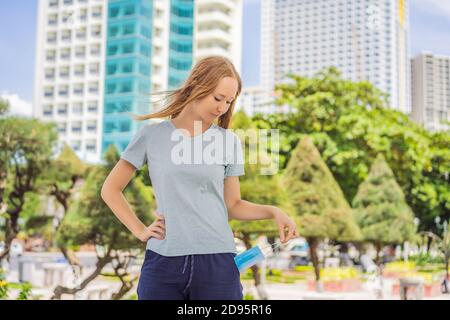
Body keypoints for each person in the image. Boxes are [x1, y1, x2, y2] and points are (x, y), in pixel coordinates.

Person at [101, 56, 299, 300]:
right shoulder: (152, 136)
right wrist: (140, 230)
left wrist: (274, 212)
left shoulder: (229, 141)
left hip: (218, 265)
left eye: (229, 101)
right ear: (196, 86)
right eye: (218, 98)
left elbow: (233, 205)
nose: (222, 108)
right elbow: (110, 189)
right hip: (163, 263)